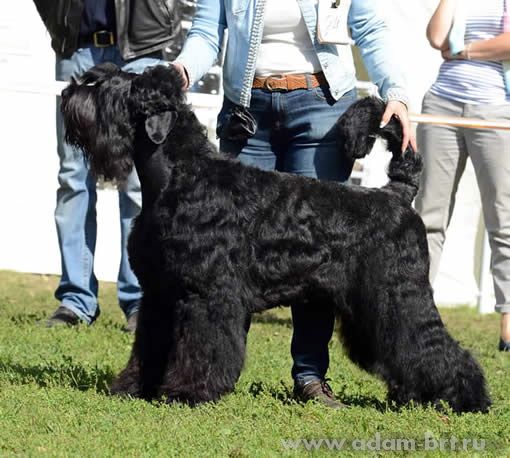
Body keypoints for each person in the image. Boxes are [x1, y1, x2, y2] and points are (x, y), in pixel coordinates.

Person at [172, 0, 416, 407]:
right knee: (228, 256)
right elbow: (206, 33)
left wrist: (397, 93)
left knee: (318, 252)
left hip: (320, 106)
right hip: (247, 113)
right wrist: (181, 69)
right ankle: (209, 376)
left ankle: (310, 376)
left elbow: (370, 27)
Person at [32, 0, 183, 332]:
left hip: (141, 47)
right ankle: (75, 299)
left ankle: (140, 299)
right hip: (77, 47)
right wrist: (59, 21)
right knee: (73, 178)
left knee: (140, 184)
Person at [414, 0, 510, 352]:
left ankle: (508, 322)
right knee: (427, 218)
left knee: (504, 219)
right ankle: (415, 313)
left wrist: (465, 51)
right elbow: (436, 38)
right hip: (442, 105)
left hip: (497, 110)